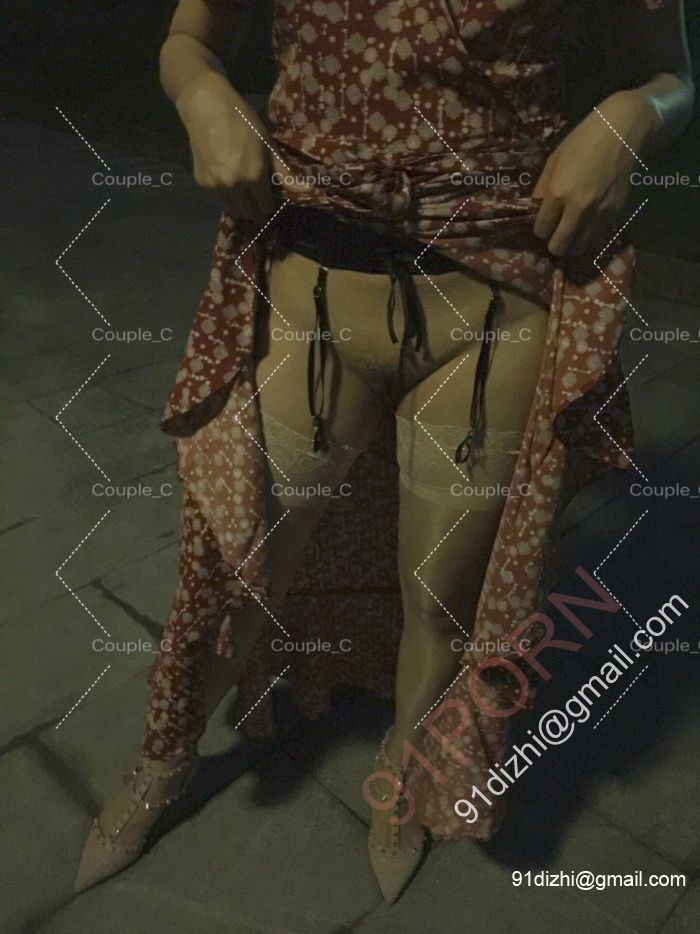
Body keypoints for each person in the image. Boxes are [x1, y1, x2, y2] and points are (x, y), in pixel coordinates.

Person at [75, 0, 693, 903]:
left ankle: (406, 762)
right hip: (315, 291)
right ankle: (161, 765)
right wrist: (201, 92)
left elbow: (674, 73)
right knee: (240, 570)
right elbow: (188, 38)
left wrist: (635, 115)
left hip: (495, 307)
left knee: (441, 600)